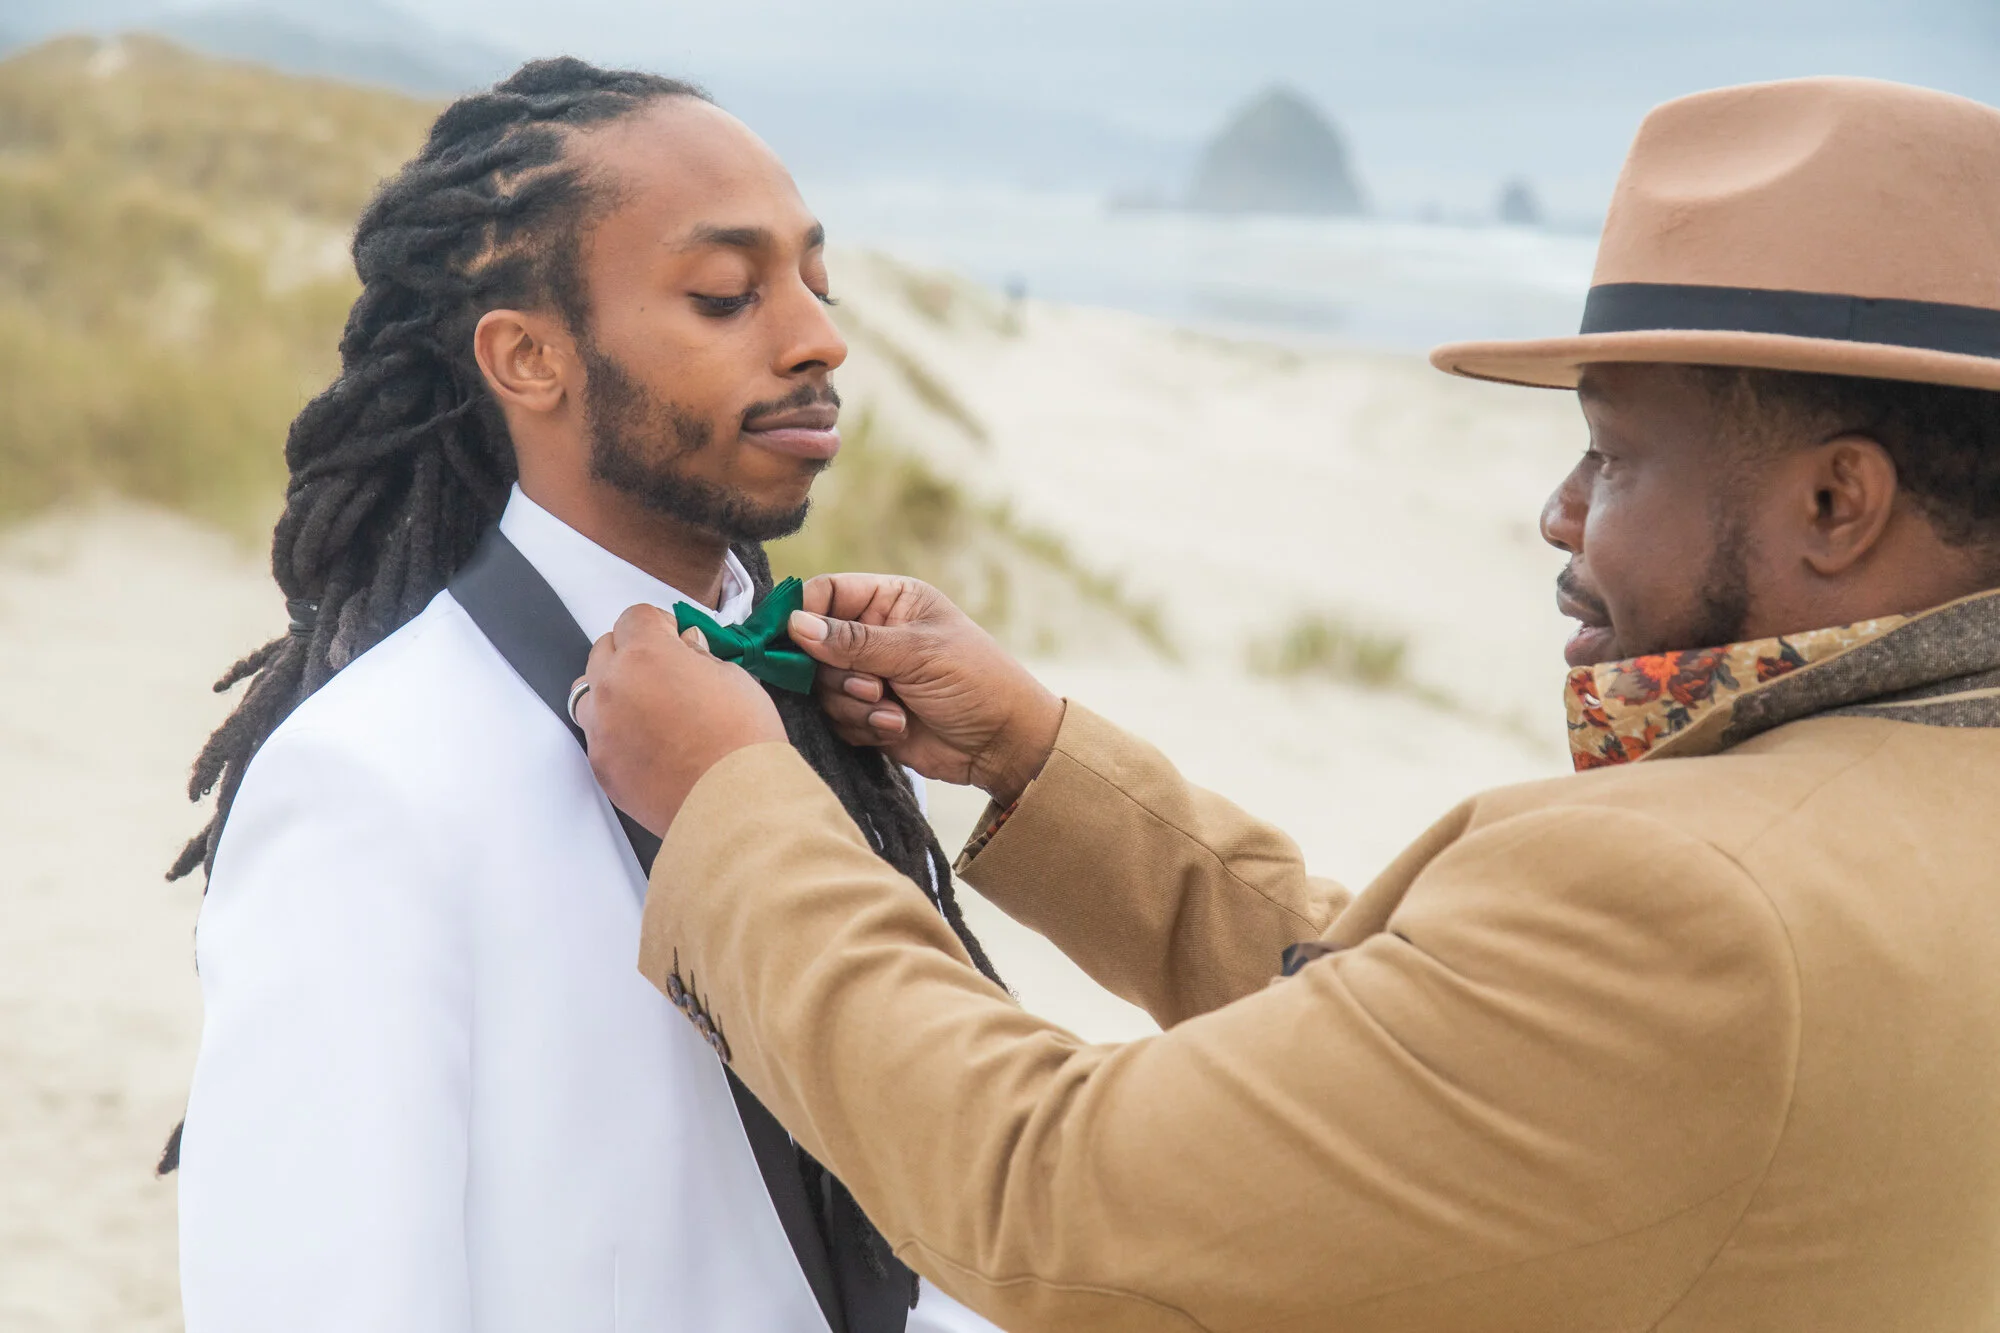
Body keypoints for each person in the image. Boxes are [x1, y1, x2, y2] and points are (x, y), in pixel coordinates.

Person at [575, 76, 2000, 1332]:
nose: (1560, 517)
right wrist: (1037, 756)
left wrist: (734, 807)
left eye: (1614, 459)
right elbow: (1438, 1059)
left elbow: (1050, 1201)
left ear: (1837, 502)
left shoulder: (1688, 905)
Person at [170, 57, 998, 1333]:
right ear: (529, 358)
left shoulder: (828, 711)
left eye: (814, 282)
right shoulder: (374, 780)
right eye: (726, 295)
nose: (817, 337)